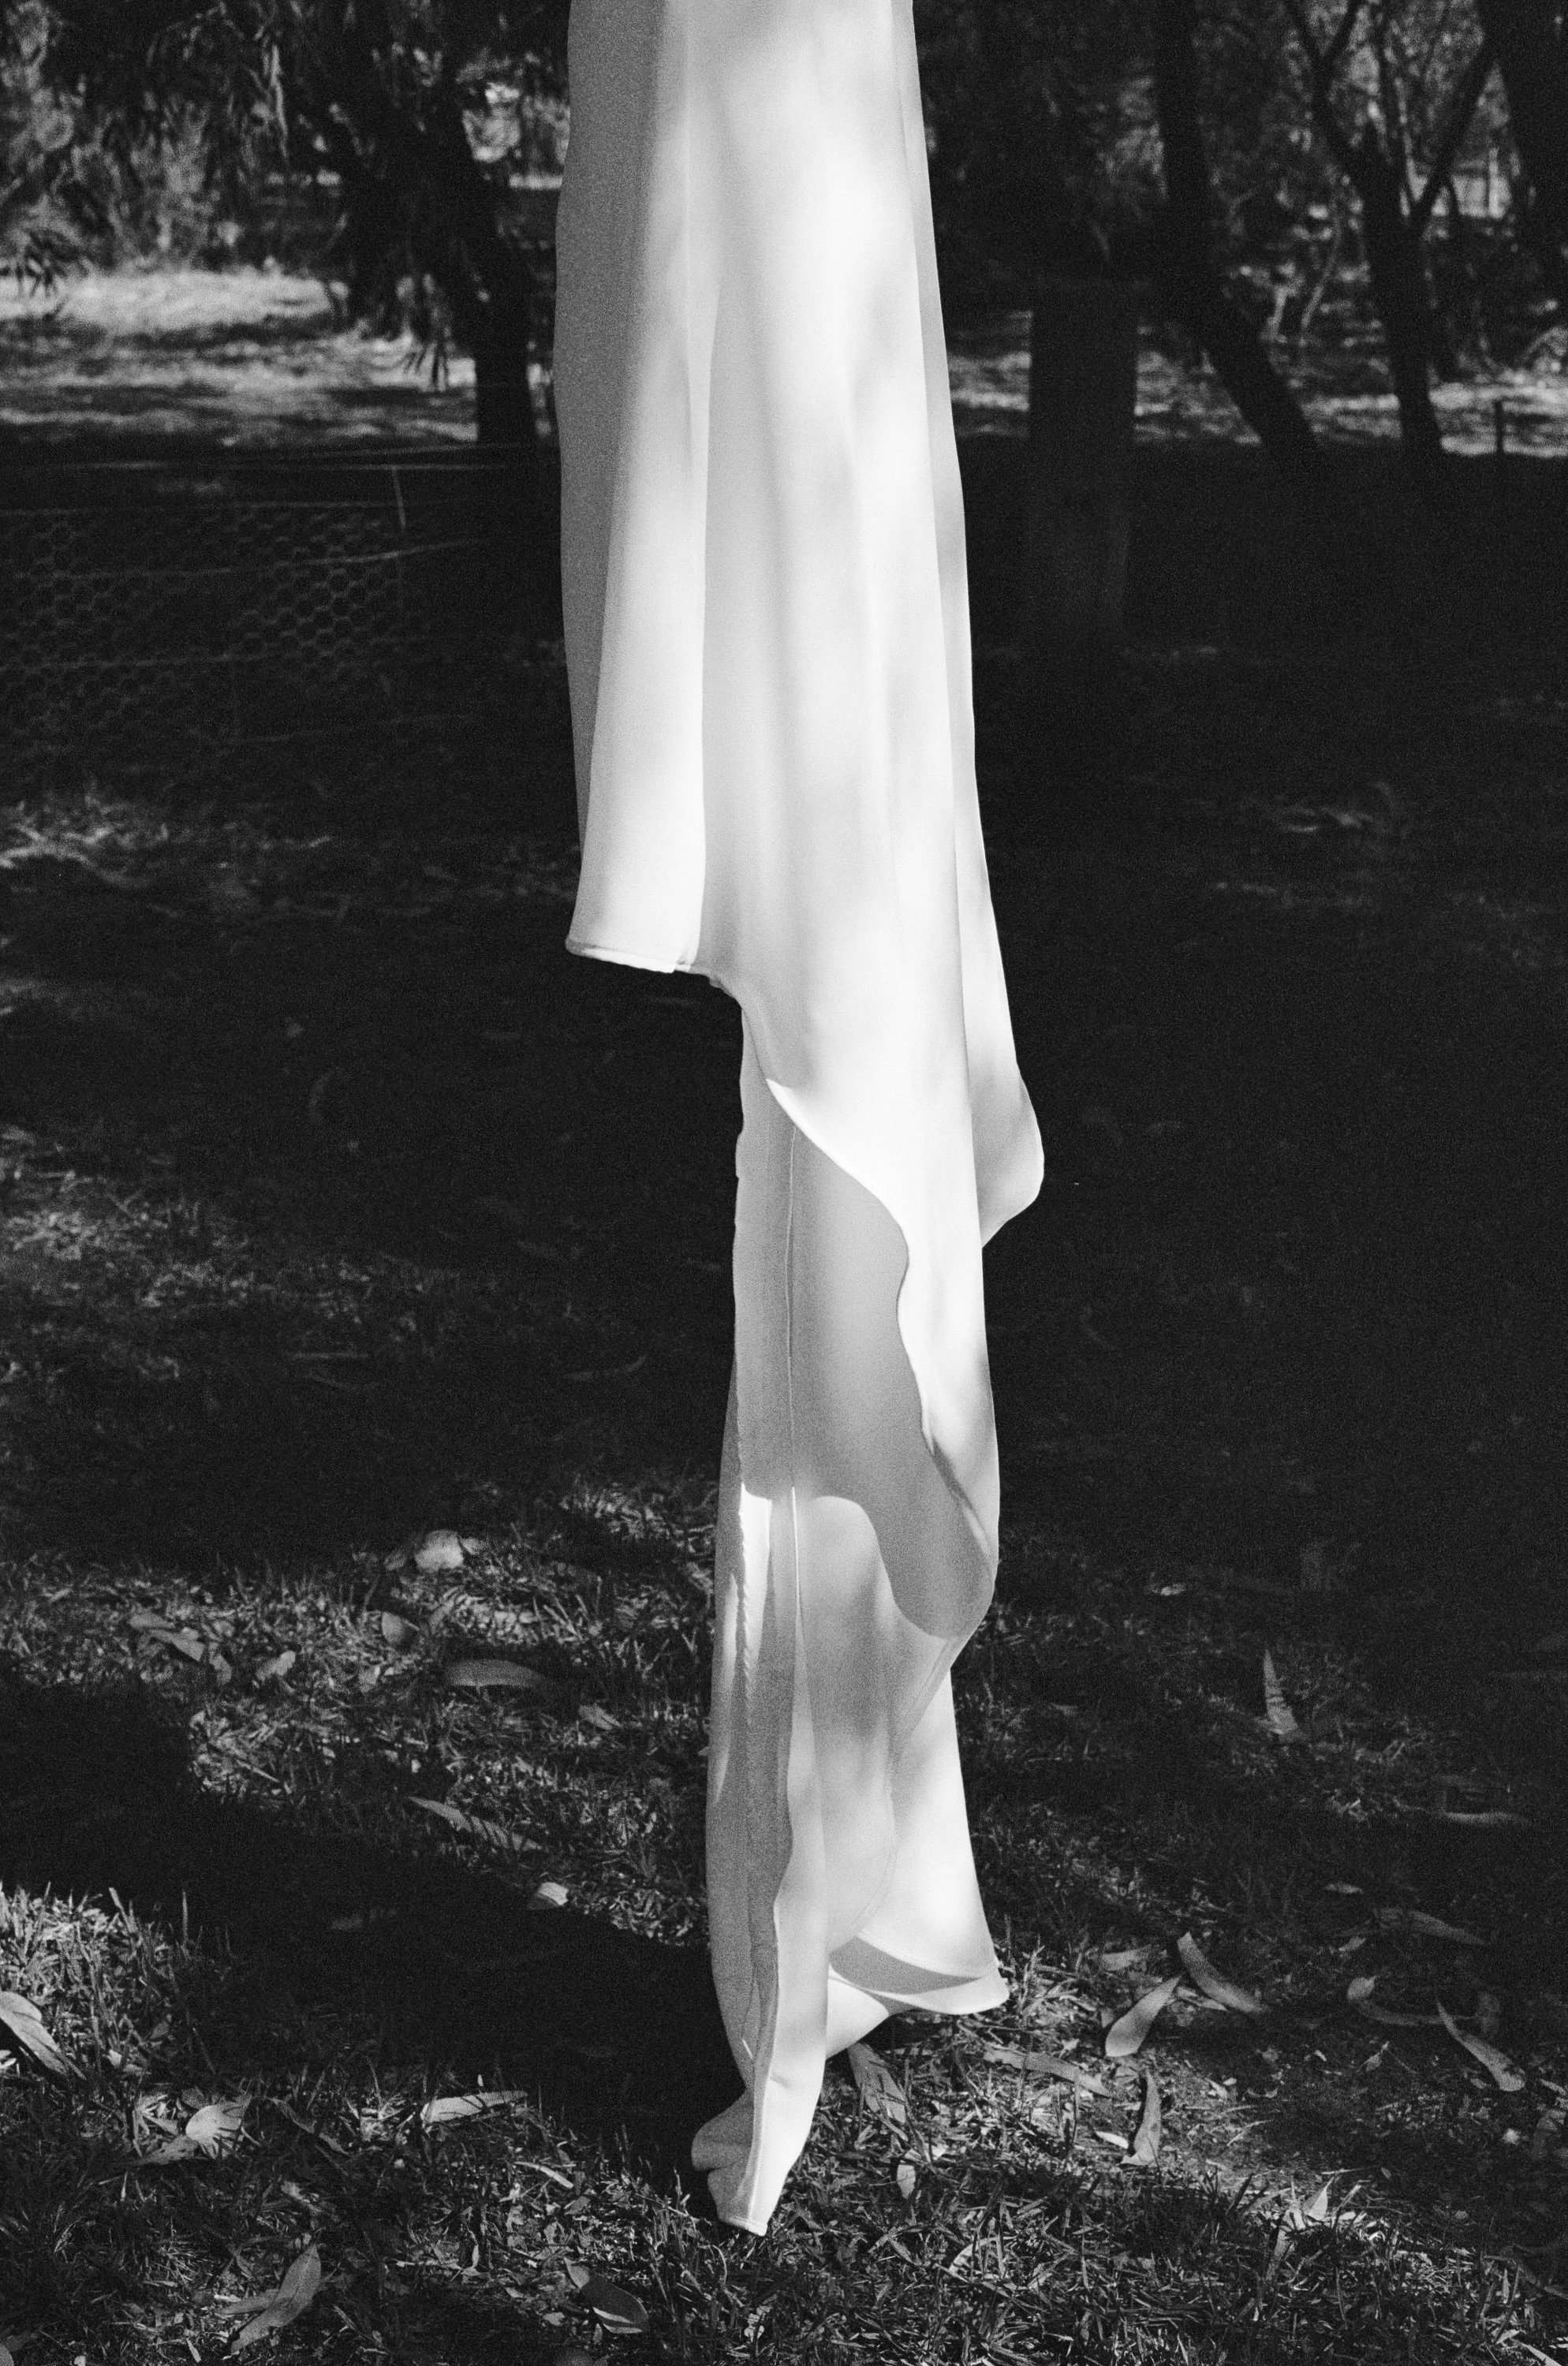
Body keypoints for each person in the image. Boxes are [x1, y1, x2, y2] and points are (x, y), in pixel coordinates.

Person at [554, 0, 1042, 2234]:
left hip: (807, 284)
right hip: (774, 278)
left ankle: (838, 1902)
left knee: (830, 1182)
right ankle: (832, 1904)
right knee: (822, 1176)